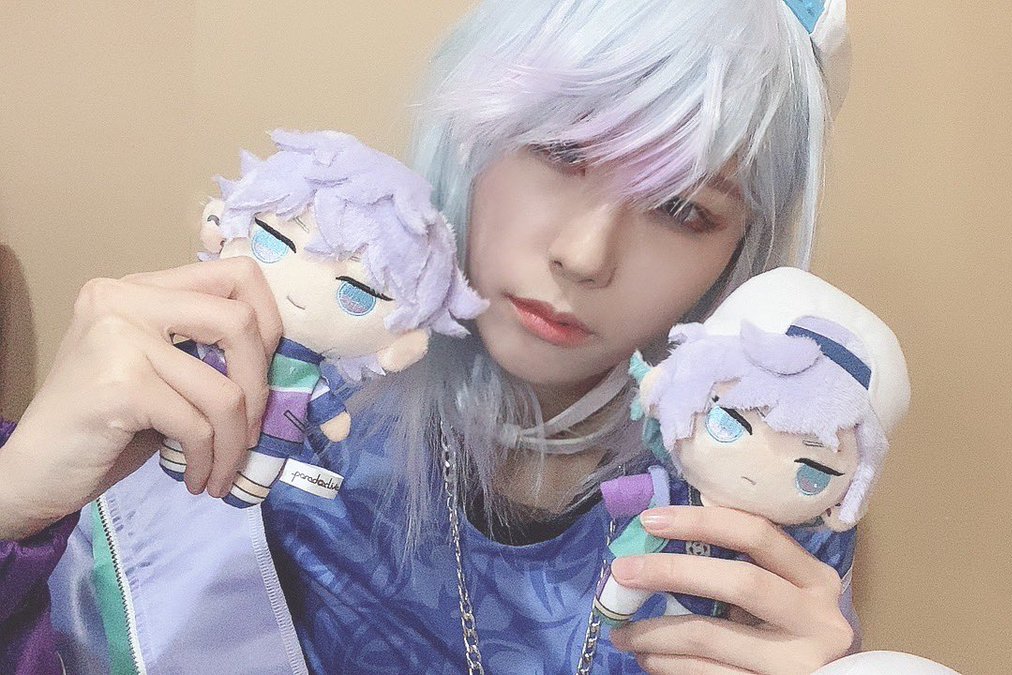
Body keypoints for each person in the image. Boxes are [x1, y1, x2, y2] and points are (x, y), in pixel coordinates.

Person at [0, 0, 914, 673]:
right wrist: (11, 509)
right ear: (475, 124)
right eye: (561, 149)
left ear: (738, 256)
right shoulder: (237, 387)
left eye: (682, 208)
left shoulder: (754, 515)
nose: (586, 254)